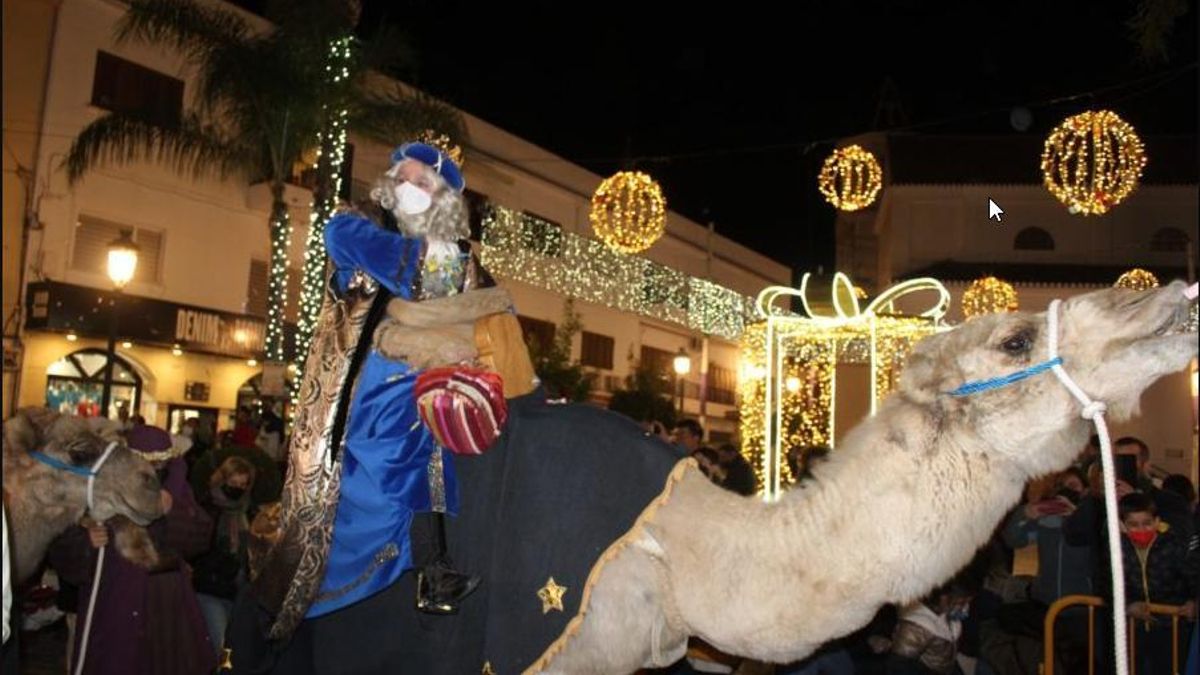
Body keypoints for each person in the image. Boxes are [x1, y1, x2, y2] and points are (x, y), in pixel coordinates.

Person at [249, 140, 502, 646]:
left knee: (448, 477)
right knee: (387, 481)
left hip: (432, 397)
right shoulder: (353, 225)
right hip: (361, 402)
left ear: (445, 200)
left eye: (424, 183)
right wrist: (447, 261)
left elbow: (491, 311)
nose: (410, 188)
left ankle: (435, 572)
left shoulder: (459, 253)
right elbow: (424, 275)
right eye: (404, 177)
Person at [47, 424, 215, 675]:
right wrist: (86, 541)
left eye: (159, 466)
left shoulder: (176, 490)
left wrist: (172, 511)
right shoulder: (98, 487)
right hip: (112, 600)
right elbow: (63, 551)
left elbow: (199, 539)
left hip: (164, 604)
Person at [1118, 492, 1197, 675]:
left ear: (1157, 521)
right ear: (1122, 526)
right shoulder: (1116, 549)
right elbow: (1107, 584)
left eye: (1147, 523)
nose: (1142, 529)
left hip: (1172, 626)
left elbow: (1192, 577)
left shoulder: (1174, 545)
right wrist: (1127, 605)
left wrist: (1194, 603)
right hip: (1133, 628)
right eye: (1134, 525)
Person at [194, 456, 257, 657]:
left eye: (242, 484)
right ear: (222, 480)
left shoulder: (248, 511)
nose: (237, 488)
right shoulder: (207, 508)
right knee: (222, 647)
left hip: (237, 591)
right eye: (232, 482)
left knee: (234, 647)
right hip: (210, 588)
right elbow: (196, 548)